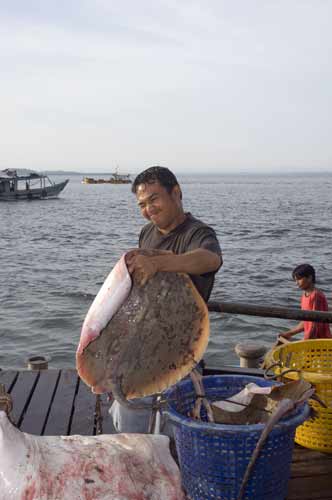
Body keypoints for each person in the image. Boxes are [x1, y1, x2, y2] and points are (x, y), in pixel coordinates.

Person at [110, 166, 222, 433]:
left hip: (179, 347)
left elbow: (210, 259)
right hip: (141, 344)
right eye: (142, 205)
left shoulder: (198, 233)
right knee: (128, 415)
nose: (149, 209)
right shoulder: (146, 233)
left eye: (154, 199)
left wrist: (161, 264)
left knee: (170, 428)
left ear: (176, 193)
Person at [279, 263, 331, 341]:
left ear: (309, 278)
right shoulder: (304, 296)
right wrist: (289, 333)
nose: (297, 283)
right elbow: (306, 321)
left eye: (299, 279)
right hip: (311, 339)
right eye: (295, 280)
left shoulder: (316, 295)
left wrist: (306, 340)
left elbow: (315, 324)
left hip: (319, 341)